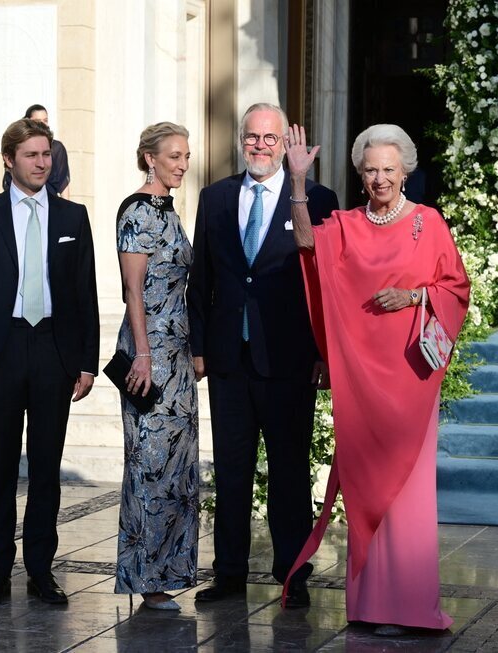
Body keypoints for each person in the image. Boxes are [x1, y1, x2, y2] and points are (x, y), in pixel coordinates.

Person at [284, 123, 470, 636]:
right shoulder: (345, 225)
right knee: (366, 484)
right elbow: (305, 243)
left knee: (407, 491)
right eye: (371, 170)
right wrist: (298, 182)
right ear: (359, 174)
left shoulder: (427, 223)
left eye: (389, 169)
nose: (380, 178)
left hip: (410, 375)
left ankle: (409, 608)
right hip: (360, 377)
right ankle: (368, 606)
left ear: (405, 171)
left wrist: (412, 297)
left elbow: (455, 286)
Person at [186, 103, 339, 608]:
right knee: (231, 471)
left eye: (270, 139)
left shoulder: (317, 199)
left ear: (286, 144)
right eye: (252, 137)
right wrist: (200, 345)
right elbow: (201, 278)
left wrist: (322, 351)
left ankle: (292, 573)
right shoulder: (215, 196)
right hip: (229, 359)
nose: (259, 146)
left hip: (289, 359)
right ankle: (229, 573)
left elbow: (323, 282)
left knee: (289, 471)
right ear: (241, 141)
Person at [0, 118, 101, 607]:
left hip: (54, 351)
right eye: (33, 155)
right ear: (9, 159)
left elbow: (85, 295)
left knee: (45, 467)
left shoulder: (73, 218)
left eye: (47, 155)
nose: (42, 163)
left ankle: (41, 569)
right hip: (1, 350)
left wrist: (86, 362)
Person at [113, 122, 198, 611]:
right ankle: (145, 578)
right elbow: (133, 290)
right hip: (149, 357)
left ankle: (167, 574)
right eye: (173, 156)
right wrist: (144, 355)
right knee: (149, 466)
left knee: (177, 472)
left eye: (186, 156)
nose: (182, 164)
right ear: (149, 158)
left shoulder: (168, 209)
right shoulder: (138, 211)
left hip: (178, 354)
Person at [1, 104, 71, 199]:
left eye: (46, 154)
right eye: (31, 155)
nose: (41, 164)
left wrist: (66, 209)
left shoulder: (57, 148)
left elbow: (63, 181)